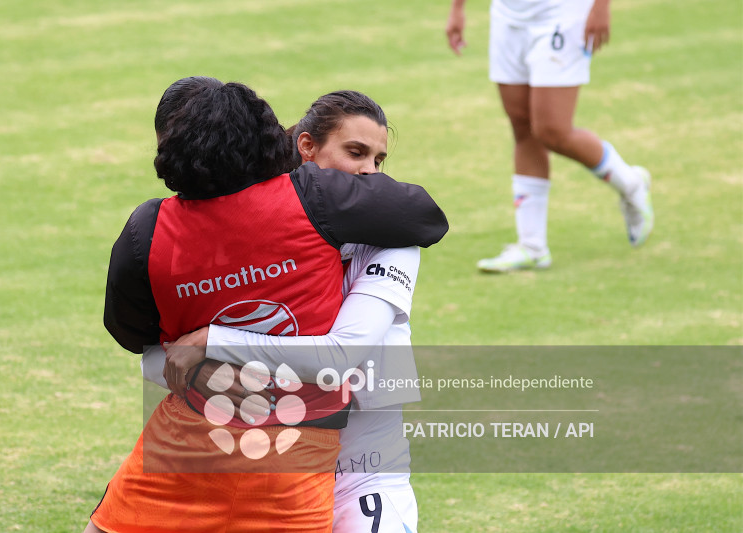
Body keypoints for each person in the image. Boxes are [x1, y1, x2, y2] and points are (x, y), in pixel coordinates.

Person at [87, 79, 447, 532]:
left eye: (378, 160)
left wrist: (212, 343)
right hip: (255, 451)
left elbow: (343, 353)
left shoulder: (390, 238)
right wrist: (197, 362)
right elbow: (157, 358)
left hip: (362, 456)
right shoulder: (294, 207)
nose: (371, 173)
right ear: (305, 150)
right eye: (355, 154)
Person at [446, 0, 654, 272]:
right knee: (522, 128)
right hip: (508, 15)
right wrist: (458, 7)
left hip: (561, 13)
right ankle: (532, 247)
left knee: (552, 130)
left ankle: (631, 183)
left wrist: (601, 6)